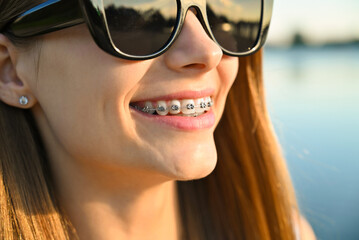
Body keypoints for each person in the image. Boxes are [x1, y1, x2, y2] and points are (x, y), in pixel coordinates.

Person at [0, 0, 316, 239]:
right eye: (136, 12)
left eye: (221, 10)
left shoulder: (287, 232)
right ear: (10, 71)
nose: (208, 52)